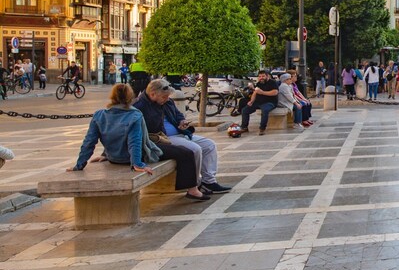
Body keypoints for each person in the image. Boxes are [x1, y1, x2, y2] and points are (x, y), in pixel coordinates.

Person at [70, 83, 210, 201]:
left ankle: (192, 188)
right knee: (186, 153)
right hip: (133, 158)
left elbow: (89, 141)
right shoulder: (134, 114)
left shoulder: (99, 114)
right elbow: (135, 141)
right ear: (130, 97)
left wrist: (80, 164)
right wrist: (137, 164)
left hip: (114, 158)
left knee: (183, 150)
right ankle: (192, 190)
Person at [134, 79, 232, 195]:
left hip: (180, 133)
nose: (166, 99)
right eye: (164, 97)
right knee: (195, 149)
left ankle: (209, 181)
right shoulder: (140, 106)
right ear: (153, 94)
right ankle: (195, 183)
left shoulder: (167, 101)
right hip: (163, 138)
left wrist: (181, 121)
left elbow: (177, 114)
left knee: (209, 145)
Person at [241, 68, 280, 135]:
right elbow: (255, 93)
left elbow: (275, 92)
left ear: (267, 76)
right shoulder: (259, 83)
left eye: (263, 76)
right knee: (245, 110)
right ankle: (244, 127)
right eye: (259, 76)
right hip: (258, 102)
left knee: (265, 110)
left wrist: (262, 92)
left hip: (270, 102)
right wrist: (251, 101)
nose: (261, 78)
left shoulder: (273, 82)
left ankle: (262, 128)